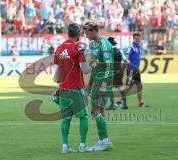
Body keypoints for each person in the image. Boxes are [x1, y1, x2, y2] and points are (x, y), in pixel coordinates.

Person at [53, 23, 93, 153]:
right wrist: (93, 63)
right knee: (83, 117)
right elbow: (85, 70)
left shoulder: (59, 48)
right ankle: (82, 145)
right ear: (78, 34)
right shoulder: (78, 47)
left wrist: (57, 88)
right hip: (75, 88)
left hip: (63, 89)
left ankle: (65, 146)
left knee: (66, 118)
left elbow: (58, 72)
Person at [83, 21, 114, 151]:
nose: (85, 35)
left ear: (93, 31)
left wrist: (103, 86)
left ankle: (105, 141)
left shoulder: (104, 45)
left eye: (87, 32)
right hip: (96, 81)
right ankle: (102, 140)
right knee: (99, 111)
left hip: (103, 82)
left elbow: (110, 66)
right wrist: (89, 85)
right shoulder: (92, 44)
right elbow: (94, 67)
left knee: (94, 111)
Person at [125, 32, 148, 108]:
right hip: (131, 69)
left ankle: (140, 103)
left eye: (139, 38)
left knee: (139, 86)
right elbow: (127, 54)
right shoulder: (131, 47)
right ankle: (119, 101)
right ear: (133, 39)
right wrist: (127, 60)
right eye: (136, 38)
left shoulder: (138, 46)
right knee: (129, 86)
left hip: (136, 70)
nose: (138, 40)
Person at [105, 37, 128, 110]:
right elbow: (126, 61)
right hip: (119, 70)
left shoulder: (109, 51)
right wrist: (122, 69)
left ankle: (112, 105)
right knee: (120, 87)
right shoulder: (119, 51)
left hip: (113, 70)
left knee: (109, 87)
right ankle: (124, 104)